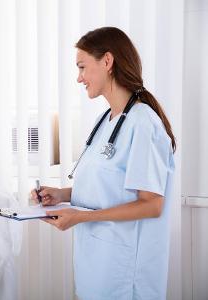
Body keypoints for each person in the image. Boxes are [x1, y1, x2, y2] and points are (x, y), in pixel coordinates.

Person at [31, 27, 175, 300]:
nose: (79, 78)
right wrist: (60, 195)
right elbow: (108, 187)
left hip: (124, 270)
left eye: (82, 67)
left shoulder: (143, 123)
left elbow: (152, 204)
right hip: (95, 263)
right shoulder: (107, 120)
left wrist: (82, 217)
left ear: (107, 62)